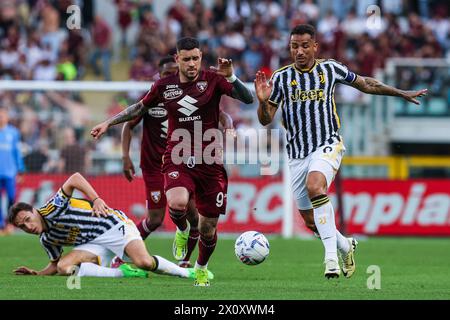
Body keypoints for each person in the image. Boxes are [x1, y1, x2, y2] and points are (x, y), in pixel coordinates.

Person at [254, 24, 427, 279]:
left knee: (316, 187)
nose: (299, 51)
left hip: (328, 143)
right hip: (297, 153)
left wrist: (400, 93)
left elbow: (366, 83)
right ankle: (346, 246)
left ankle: (330, 260)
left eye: (304, 46)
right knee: (310, 221)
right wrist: (262, 102)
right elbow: (265, 119)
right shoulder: (280, 78)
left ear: (315, 46)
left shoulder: (330, 68)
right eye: (294, 46)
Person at [91, 37, 253, 286]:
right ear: (177, 59)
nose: (191, 64)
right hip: (177, 156)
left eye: (195, 58)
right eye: (186, 59)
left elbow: (248, 99)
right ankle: (182, 230)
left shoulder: (213, 80)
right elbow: (138, 108)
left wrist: (231, 77)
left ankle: (200, 267)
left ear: (201, 58)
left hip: (210, 162)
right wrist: (108, 123)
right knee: (176, 204)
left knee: (208, 228)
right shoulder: (164, 86)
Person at [121, 56, 234, 269]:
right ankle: (122, 254)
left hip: (187, 162)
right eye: (166, 73)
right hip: (155, 165)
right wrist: (125, 156)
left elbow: (221, 114)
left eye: (174, 72)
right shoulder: (155, 94)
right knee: (155, 219)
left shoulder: (189, 96)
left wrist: (228, 126)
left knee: (193, 217)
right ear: (160, 74)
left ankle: (185, 262)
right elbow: (129, 124)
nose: (171, 76)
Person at [8, 172, 211, 280]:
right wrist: (37, 273)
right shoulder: (46, 240)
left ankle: (189, 273)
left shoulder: (52, 208)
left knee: (145, 263)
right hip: (93, 243)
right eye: (22, 227)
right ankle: (122, 273)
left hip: (114, 226)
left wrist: (96, 199)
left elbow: (75, 178)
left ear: (34, 211)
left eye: (27, 219)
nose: (28, 226)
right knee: (64, 267)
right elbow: (54, 265)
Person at [0, 106, 24, 235]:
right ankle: (0, 226)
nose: (1, 117)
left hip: (10, 172)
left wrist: (20, 170)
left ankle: (10, 224)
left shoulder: (13, 133)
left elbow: (17, 152)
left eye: (3, 114)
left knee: (11, 198)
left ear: (7, 117)